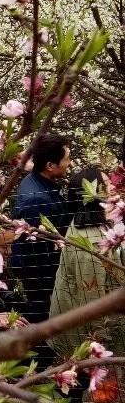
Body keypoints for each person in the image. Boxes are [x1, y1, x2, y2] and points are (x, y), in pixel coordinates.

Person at [49, 168, 125, 389]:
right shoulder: (89, 242)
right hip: (91, 331)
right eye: (106, 183)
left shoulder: (99, 224)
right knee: (105, 387)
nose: (112, 185)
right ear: (94, 192)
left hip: (104, 318)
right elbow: (90, 295)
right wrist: (100, 339)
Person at [10, 134, 76, 364]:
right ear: (50, 165)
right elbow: (38, 252)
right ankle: (39, 368)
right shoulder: (38, 199)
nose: (70, 163)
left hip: (38, 272)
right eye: (67, 159)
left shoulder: (38, 183)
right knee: (40, 321)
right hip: (39, 275)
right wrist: (53, 285)